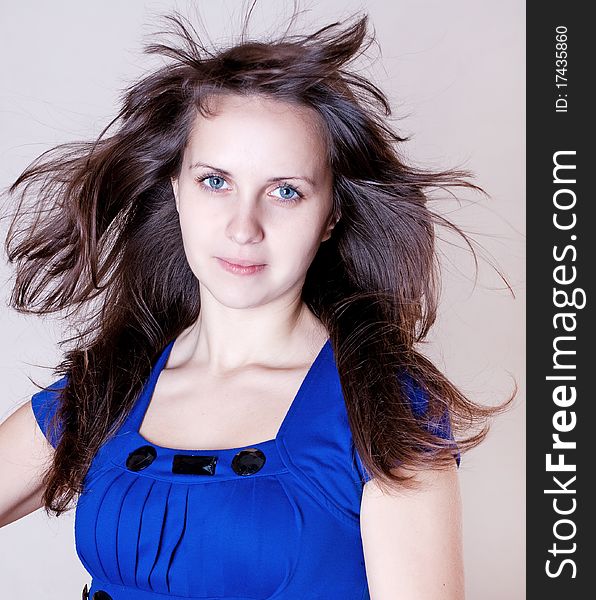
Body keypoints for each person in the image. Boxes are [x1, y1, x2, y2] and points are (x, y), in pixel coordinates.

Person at [0, 8, 511, 600]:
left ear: (331, 216)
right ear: (176, 189)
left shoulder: (386, 413)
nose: (244, 227)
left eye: (286, 192)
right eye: (215, 181)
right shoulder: (107, 390)